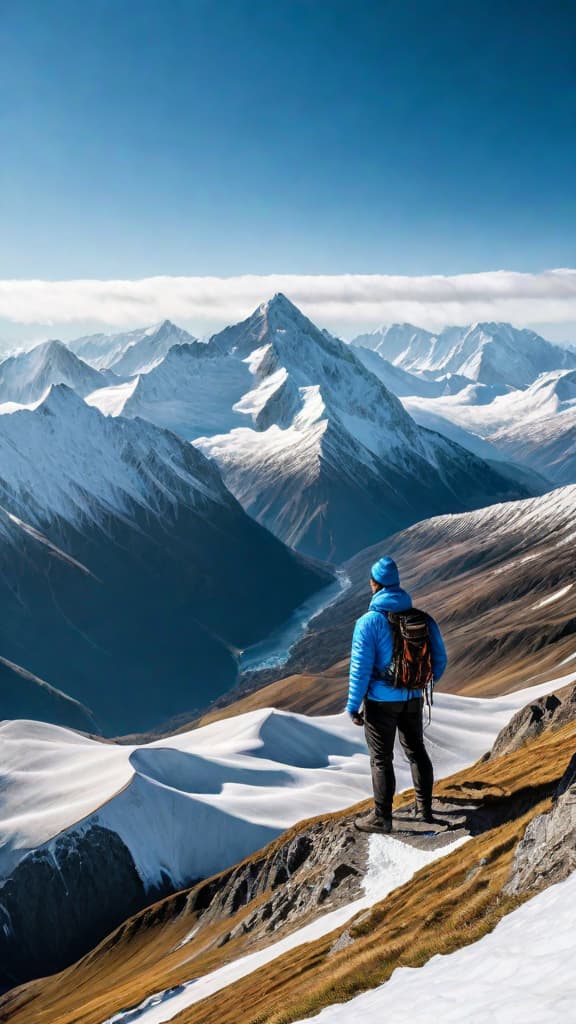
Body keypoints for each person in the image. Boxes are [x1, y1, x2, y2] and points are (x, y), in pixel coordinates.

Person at [346, 555, 447, 834]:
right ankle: (425, 808)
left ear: (374, 585)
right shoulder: (422, 619)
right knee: (417, 752)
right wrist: (420, 682)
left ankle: (382, 818)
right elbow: (440, 659)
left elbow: (360, 669)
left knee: (381, 759)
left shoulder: (369, 622)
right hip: (413, 699)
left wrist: (353, 706)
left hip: (380, 703)